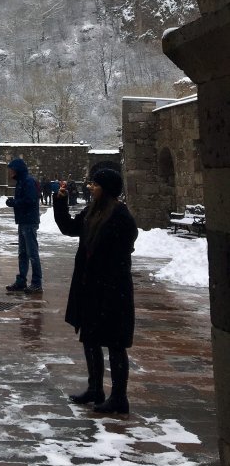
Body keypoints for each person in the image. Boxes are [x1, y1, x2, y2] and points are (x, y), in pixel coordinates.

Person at [53, 169, 138, 415]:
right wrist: (60, 202)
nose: (90, 187)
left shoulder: (120, 215)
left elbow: (123, 249)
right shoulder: (92, 211)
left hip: (112, 288)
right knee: (90, 338)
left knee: (115, 343)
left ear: (107, 189)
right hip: (90, 286)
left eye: (95, 184)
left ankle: (119, 397)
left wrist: (104, 269)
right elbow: (70, 228)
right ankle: (95, 388)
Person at [5, 158, 43, 294]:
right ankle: (21, 281)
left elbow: (30, 200)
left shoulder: (28, 181)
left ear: (17, 170)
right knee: (22, 253)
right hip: (23, 221)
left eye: (12, 170)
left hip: (29, 221)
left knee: (32, 253)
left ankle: (36, 283)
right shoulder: (22, 182)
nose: (10, 173)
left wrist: (14, 202)